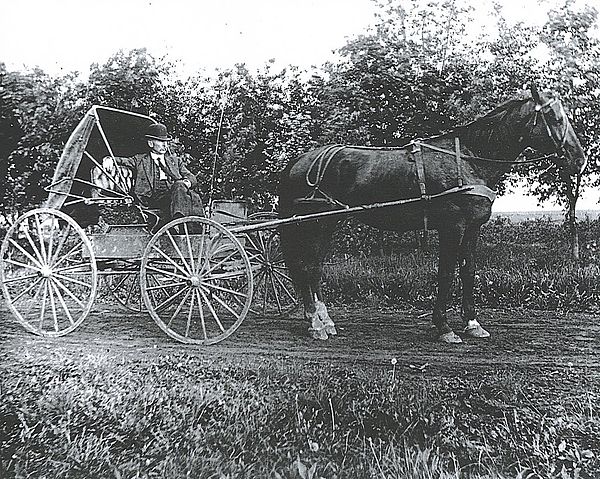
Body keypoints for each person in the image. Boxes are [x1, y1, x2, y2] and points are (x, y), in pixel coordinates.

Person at [102, 123, 204, 226]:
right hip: (152, 199)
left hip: (174, 196)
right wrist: (109, 159)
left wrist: (186, 182)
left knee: (185, 190)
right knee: (182, 190)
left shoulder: (175, 161)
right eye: (161, 141)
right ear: (151, 143)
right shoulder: (140, 160)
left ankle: (185, 223)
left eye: (166, 142)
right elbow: (123, 160)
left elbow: (192, 177)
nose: (165, 145)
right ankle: (181, 223)